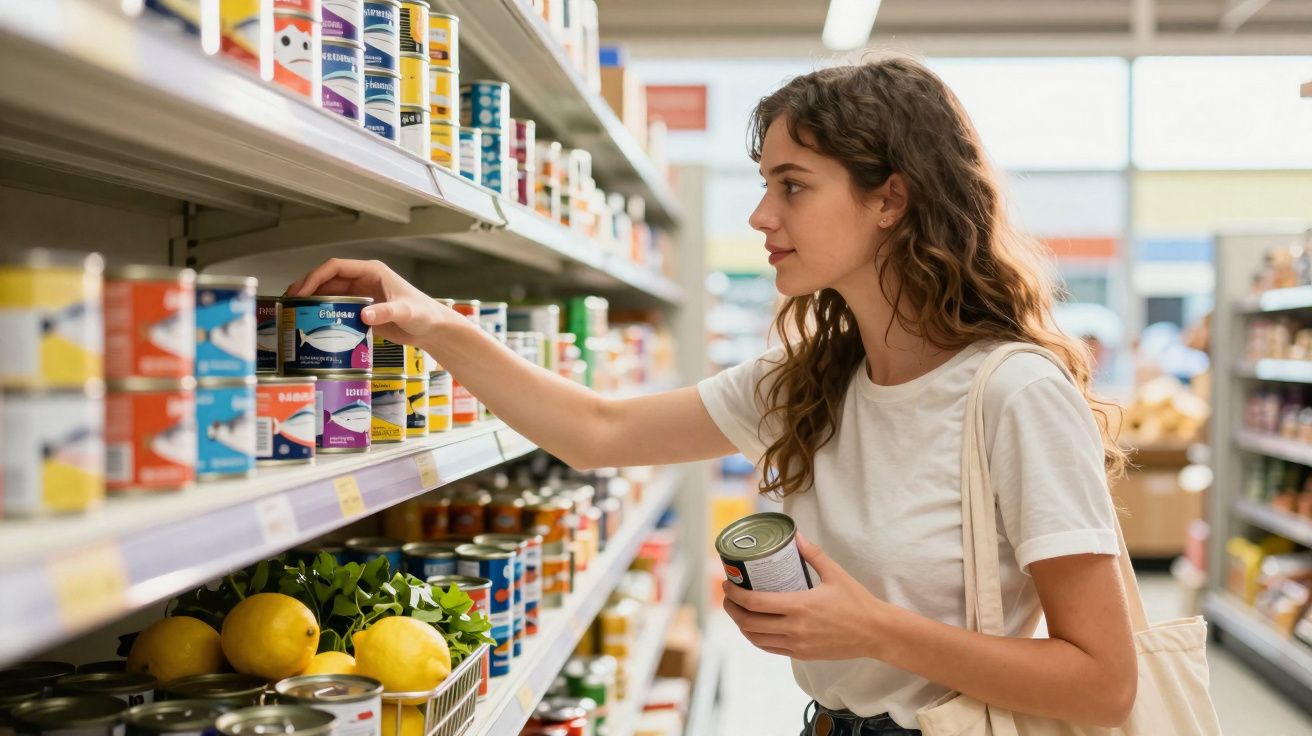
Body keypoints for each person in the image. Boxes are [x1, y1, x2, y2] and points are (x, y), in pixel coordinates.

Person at [287, 55, 1136, 736]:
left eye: (793, 185)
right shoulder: (812, 379)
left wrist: (870, 629)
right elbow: (595, 429)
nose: (763, 215)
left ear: (891, 198)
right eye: (765, 184)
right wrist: (432, 322)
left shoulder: (1014, 393)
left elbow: (1103, 682)